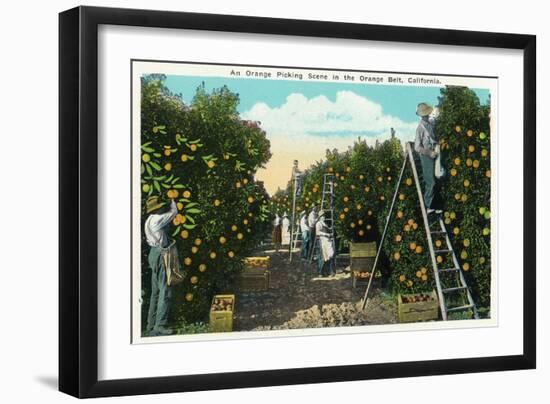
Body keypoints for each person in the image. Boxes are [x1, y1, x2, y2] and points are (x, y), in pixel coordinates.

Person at [144, 195, 178, 336]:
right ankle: (160, 326)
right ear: (157, 209)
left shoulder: (149, 220)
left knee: (156, 291)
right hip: (161, 253)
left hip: (153, 253)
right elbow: (173, 213)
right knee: (165, 289)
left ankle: (150, 325)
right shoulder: (158, 220)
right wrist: (172, 201)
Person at [414, 102, 442, 214]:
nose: (426, 116)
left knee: (438, 178)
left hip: (435, 154)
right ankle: (428, 205)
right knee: (430, 181)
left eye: (427, 114)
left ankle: (436, 205)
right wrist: (429, 152)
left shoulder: (430, 124)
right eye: (425, 114)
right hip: (426, 156)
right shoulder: (420, 128)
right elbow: (417, 147)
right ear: (422, 115)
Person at [316, 211, 335, 277]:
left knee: (331, 255)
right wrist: (325, 234)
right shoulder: (318, 223)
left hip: (328, 241)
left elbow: (327, 230)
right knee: (323, 256)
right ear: (320, 217)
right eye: (322, 216)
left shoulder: (325, 223)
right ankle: (321, 272)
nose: (323, 217)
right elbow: (317, 232)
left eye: (324, 216)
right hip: (322, 241)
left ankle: (330, 272)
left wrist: (330, 231)